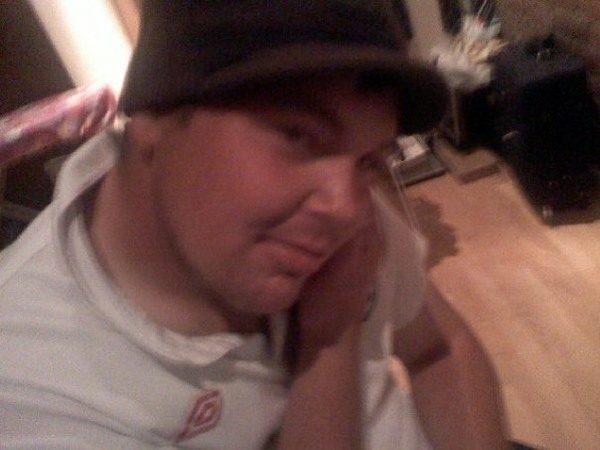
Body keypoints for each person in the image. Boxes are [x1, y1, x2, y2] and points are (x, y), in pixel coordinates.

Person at [0, 1, 508, 448]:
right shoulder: (30, 390)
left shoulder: (327, 206)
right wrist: (331, 338)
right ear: (154, 115)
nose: (347, 209)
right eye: (297, 135)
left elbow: (441, 348)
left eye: (370, 158)